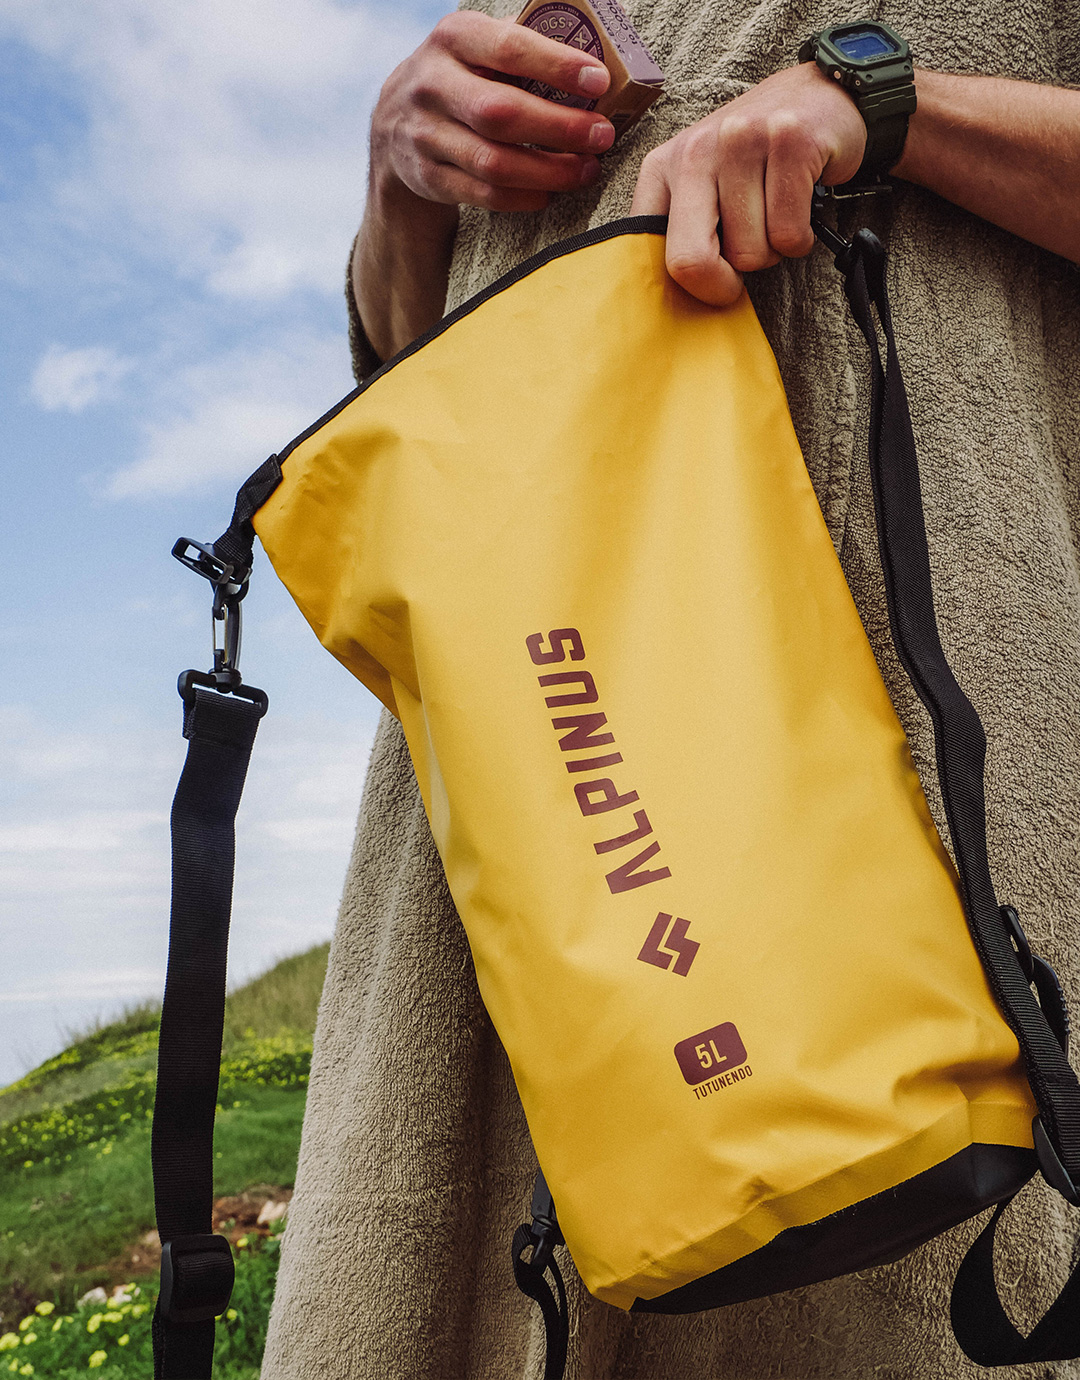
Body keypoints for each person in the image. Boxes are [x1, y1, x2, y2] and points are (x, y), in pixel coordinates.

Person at [260, 1, 1080, 1376]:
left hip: (933, 709)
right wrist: (399, 183)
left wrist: (892, 102)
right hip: (535, 761)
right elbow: (411, 371)